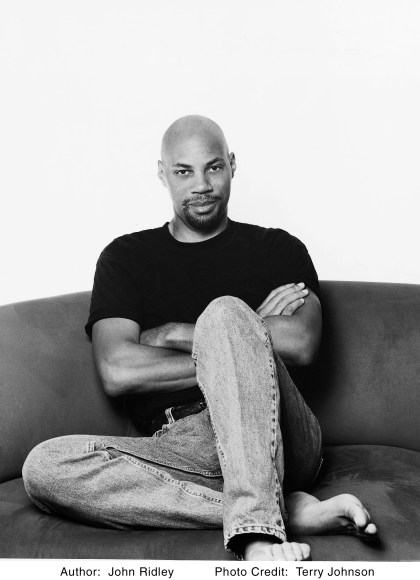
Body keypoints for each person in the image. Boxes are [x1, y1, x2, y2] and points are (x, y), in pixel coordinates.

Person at [22, 115, 377, 561]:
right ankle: (283, 511)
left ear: (232, 165)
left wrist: (187, 332)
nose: (202, 185)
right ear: (162, 173)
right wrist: (238, 344)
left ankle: (258, 532)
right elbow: (118, 370)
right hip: (182, 446)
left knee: (226, 312)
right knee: (45, 467)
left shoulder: (278, 249)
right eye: (183, 171)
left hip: (279, 434)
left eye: (213, 167)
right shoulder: (126, 258)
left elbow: (301, 344)